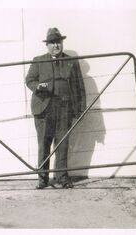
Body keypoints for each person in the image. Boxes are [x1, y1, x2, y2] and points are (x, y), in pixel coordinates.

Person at [25, 28, 86, 189]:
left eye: (58, 42)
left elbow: (79, 87)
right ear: (47, 45)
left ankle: (62, 177)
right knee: (44, 144)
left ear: (62, 43)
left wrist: (80, 110)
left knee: (63, 143)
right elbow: (29, 80)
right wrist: (38, 86)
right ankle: (42, 179)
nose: (56, 46)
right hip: (44, 110)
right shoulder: (38, 60)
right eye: (52, 43)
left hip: (65, 108)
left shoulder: (71, 61)